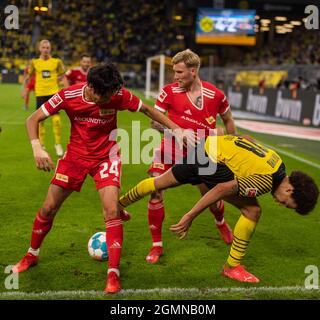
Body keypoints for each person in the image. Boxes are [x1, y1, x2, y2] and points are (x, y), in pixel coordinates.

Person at [12, 63, 193, 294]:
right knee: (48, 208)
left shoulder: (117, 95)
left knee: (110, 212)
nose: (108, 99)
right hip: (75, 157)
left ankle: (113, 274)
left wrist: (177, 129)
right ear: (89, 87)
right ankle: (31, 255)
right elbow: (32, 119)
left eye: (110, 95)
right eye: (103, 95)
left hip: (107, 157)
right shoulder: (68, 95)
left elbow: (148, 110)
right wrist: (37, 148)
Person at [118, 133, 319, 283]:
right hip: (210, 162)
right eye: (287, 204)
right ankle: (232, 266)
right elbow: (222, 188)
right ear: (291, 189)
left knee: (160, 182)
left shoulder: (278, 162)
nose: (282, 204)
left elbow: (247, 139)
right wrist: (190, 215)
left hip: (207, 147)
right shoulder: (266, 182)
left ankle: (118, 205)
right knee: (252, 211)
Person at [144, 49, 237, 264]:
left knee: (211, 198)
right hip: (170, 148)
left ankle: (221, 221)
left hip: (202, 154)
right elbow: (154, 121)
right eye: (174, 72)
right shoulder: (168, 92)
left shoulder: (216, 95)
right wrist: (177, 130)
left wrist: (228, 144)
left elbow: (229, 121)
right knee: (155, 191)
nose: (175, 77)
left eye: (179, 72)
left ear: (193, 71)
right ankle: (156, 245)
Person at [22, 39, 66, 157]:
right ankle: (41, 145)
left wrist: (63, 85)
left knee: (56, 120)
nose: (45, 49)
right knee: (41, 121)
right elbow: (28, 76)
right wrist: (24, 90)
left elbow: (63, 74)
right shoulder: (34, 62)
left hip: (53, 93)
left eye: (47, 47)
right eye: (43, 47)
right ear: (39, 49)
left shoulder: (57, 62)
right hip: (40, 93)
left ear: (50, 49)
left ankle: (57, 144)